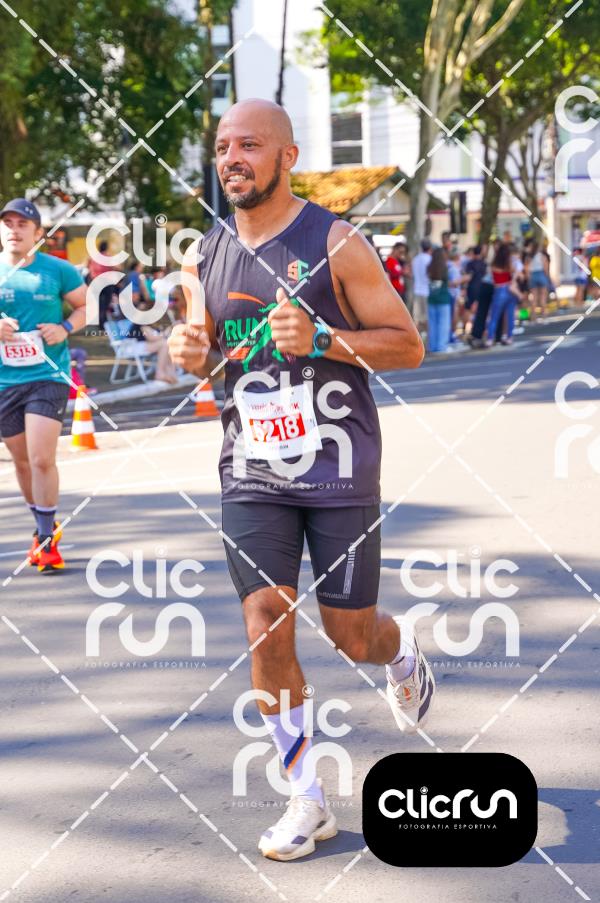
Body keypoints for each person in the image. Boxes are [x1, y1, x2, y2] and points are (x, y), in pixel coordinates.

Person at [168, 99, 435, 862]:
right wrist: (191, 357)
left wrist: (324, 339)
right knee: (265, 619)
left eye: (249, 144)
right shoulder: (202, 257)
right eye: (223, 146)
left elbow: (407, 346)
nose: (232, 158)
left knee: (353, 635)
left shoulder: (336, 242)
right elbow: (209, 358)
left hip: (338, 466)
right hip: (252, 467)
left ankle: (400, 651)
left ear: (287, 157)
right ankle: (306, 795)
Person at [0, 198, 87, 571]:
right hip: (5, 380)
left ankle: (47, 542)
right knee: (21, 461)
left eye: (23, 224)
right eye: (8, 223)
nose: (14, 230)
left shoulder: (58, 270)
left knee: (40, 458)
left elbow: (86, 307)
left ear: (37, 233)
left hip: (48, 376)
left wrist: (64, 327)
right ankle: (43, 525)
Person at [486, 242, 517, 346]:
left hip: (499, 289)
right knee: (510, 316)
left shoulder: (494, 264)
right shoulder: (509, 263)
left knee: (494, 316)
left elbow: (492, 276)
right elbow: (514, 273)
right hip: (509, 289)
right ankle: (509, 337)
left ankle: (490, 339)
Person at [426, 247, 453, 353]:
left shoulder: (429, 268)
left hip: (432, 299)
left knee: (432, 324)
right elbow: (447, 283)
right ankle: (441, 346)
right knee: (443, 324)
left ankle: (433, 346)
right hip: (443, 298)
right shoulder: (444, 268)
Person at [411, 238, 432, 334]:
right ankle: (428, 338)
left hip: (416, 290)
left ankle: (416, 338)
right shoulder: (430, 259)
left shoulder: (415, 259)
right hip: (427, 290)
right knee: (427, 317)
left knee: (417, 318)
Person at [529, 241, 549, 321]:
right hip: (541, 274)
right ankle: (544, 316)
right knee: (543, 296)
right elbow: (545, 267)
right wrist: (546, 276)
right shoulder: (542, 256)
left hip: (533, 275)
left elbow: (527, 268)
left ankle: (533, 316)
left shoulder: (530, 257)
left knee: (534, 297)